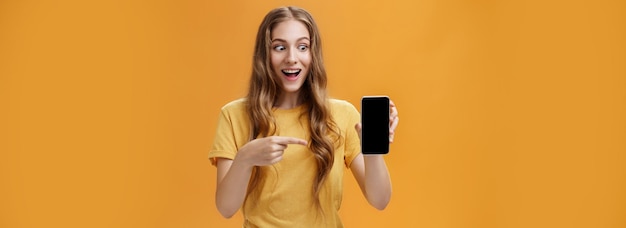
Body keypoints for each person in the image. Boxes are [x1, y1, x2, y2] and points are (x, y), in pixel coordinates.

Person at [208, 6, 399, 227]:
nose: (292, 58)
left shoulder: (342, 115)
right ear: (264, 55)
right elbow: (225, 208)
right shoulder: (234, 115)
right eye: (279, 47)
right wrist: (245, 158)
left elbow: (380, 200)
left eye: (302, 47)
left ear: (312, 54)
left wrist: (372, 150)